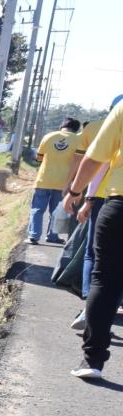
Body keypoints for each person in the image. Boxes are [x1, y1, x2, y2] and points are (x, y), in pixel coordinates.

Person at [64, 98, 123, 380]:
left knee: (105, 279)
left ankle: (93, 361)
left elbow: (94, 158)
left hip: (119, 205)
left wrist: (76, 191)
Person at [27, 117, 80, 245]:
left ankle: (34, 236)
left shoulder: (49, 136)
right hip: (63, 183)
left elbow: (39, 158)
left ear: (62, 126)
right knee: (56, 210)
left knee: (37, 209)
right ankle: (53, 236)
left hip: (43, 180)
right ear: (76, 129)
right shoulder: (78, 140)